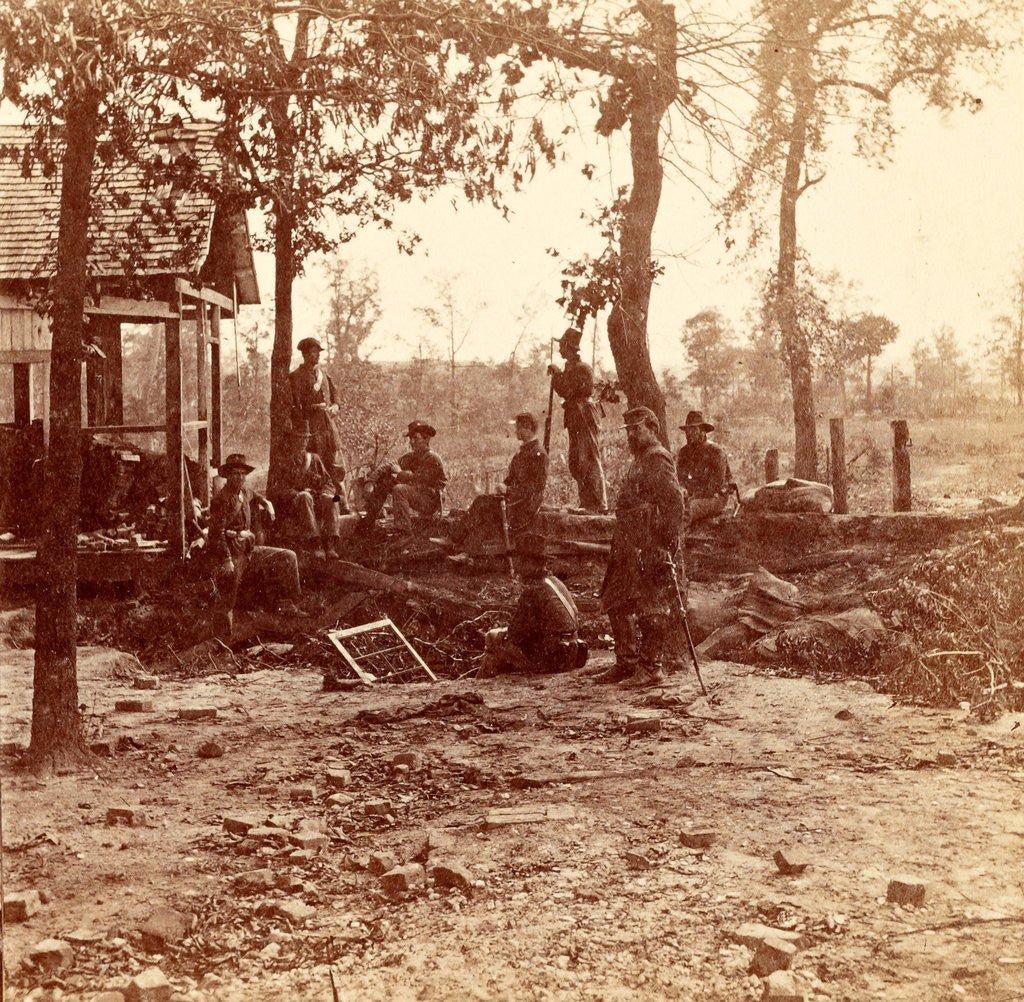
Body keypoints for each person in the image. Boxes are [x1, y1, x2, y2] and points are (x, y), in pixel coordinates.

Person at [595, 406, 685, 689]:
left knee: (652, 604)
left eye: (638, 428)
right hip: (628, 543)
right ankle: (627, 662)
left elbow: (674, 504)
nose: (632, 434)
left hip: (650, 543)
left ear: (652, 428)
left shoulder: (657, 458)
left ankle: (650, 668)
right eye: (629, 430)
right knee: (615, 598)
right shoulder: (640, 459)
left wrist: (665, 545)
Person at [208, 453, 306, 640]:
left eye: (243, 473)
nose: (240, 477)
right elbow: (216, 534)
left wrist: (266, 503)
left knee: (288, 556)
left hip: (250, 550)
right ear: (228, 475)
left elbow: (255, 495)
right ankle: (221, 640)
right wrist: (226, 560)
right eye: (235, 473)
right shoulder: (221, 499)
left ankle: (289, 603)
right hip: (233, 553)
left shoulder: (244, 492)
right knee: (227, 597)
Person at [479, 532, 588, 677]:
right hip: (572, 653)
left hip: (552, 658)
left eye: (521, 562)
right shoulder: (556, 582)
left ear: (531, 563)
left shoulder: (533, 591)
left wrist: (497, 635)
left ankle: (480, 686)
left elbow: (515, 635)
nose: (517, 567)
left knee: (494, 643)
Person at [548, 327, 607, 512]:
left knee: (588, 457)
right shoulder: (572, 368)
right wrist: (558, 374)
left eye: (562, 346)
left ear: (568, 347)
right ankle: (587, 502)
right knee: (577, 461)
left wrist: (557, 374)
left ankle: (598, 504)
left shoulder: (582, 369)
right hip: (576, 417)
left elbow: (567, 390)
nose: (559, 350)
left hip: (584, 416)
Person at [362, 420, 447, 545]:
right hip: (419, 495)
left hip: (431, 500)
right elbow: (389, 466)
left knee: (399, 489)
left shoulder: (432, 458)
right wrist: (370, 481)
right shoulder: (411, 456)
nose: (412, 442)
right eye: (411, 439)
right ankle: (369, 521)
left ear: (426, 439)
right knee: (387, 480)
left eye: (416, 438)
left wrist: (400, 473)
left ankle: (404, 533)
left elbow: (420, 478)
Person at [288, 337, 346, 496]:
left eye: (318, 352)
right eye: (314, 352)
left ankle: (337, 503)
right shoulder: (295, 377)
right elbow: (293, 406)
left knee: (333, 467)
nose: (317, 356)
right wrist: (310, 408)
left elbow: (336, 397)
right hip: (310, 430)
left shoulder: (324, 374)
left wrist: (335, 406)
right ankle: (321, 504)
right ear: (305, 354)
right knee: (316, 468)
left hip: (328, 429)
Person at [275, 428, 342, 559]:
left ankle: (330, 544)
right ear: (291, 441)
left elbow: (328, 483)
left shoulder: (314, 459)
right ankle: (315, 543)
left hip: (316, 500)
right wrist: (298, 492)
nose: (303, 442)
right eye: (299, 438)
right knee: (305, 497)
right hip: (294, 504)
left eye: (305, 438)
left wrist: (324, 493)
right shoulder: (283, 462)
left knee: (334, 498)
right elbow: (277, 489)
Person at [676, 409, 732, 525]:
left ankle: (679, 538)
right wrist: (683, 491)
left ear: (703, 431)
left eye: (693, 429)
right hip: (692, 496)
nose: (689, 433)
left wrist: (694, 496)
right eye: (687, 430)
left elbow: (715, 485)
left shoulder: (716, 452)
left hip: (715, 497)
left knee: (691, 507)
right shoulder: (684, 452)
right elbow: (680, 479)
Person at [497, 411, 547, 536]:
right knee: (484, 501)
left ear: (528, 428)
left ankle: (458, 543)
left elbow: (534, 488)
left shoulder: (538, 454)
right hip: (516, 499)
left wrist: (508, 490)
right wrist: (502, 487)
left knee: (484, 506)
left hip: (527, 505)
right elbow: (511, 478)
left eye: (518, 428)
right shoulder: (521, 453)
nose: (516, 432)